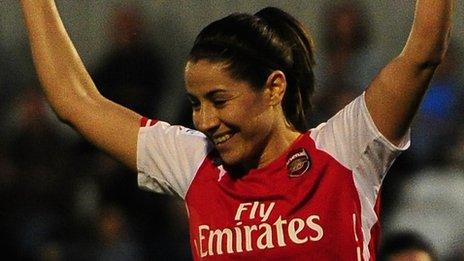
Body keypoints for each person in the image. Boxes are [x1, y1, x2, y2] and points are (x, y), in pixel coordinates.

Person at [19, 0, 454, 260]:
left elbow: (422, 54)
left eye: (219, 100)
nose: (204, 120)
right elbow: (75, 101)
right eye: (195, 103)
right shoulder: (195, 161)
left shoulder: (346, 147)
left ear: (273, 88)